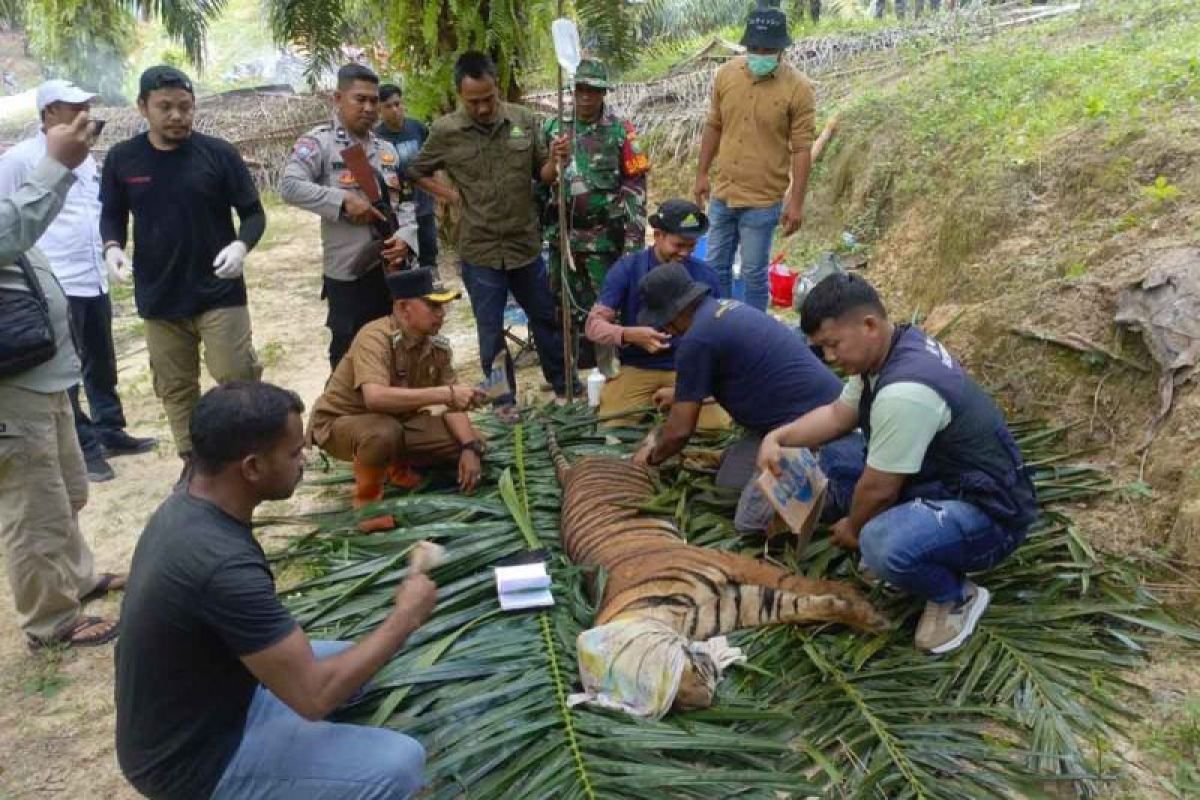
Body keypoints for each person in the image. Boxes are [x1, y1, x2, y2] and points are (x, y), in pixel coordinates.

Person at [116, 381, 434, 799]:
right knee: (400, 764)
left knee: (356, 670)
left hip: (219, 696)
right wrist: (404, 618)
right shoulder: (222, 565)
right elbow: (314, 698)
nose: (304, 460)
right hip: (195, 761)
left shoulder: (191, 502)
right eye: (293, 452)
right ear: (251, 467)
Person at [757, 274, 1037, 653]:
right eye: (822, 348)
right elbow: (839, 416)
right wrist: (779, 437)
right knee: (839, 452)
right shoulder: (887, 351)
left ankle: (955, 596)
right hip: (940, 475)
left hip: (989, 513)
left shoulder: (905, 391)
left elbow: (880, 488)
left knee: (882, 544)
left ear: (869, 325)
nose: (830, 358)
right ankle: (907, 531)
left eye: (833, 345)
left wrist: (854, 528)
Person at [100, 65, 266, 484]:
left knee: (235, 377)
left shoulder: (218, 154)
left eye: (185, 107)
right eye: (165, 107)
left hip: (219, 290)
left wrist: (241, 245)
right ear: (143, 107)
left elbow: (253, 213)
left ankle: (247, 454)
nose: (177, 116)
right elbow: (112, 214)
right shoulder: (124, 159)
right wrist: (113, 247)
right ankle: (194, 465)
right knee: (175, 388)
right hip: (160, 296)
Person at [1, 109, 124, 650]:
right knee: (34, 506)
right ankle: (49, 621)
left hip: (40, 372)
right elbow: (10, 233)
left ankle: (75, 579)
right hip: (11, 385)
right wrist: (57, 163)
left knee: (65, 490)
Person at [0, 79, 157, 483]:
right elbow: (10, 223)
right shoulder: (20, 160)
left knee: (100, 360)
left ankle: (109, 429)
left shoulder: (83, 155)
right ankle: (84, 446)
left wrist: (110, 251)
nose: (84, 113)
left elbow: (95, 210)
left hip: (90, 274)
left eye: (86, 104)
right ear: (49, 112)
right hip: (57, 276)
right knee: (65, 369)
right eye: (74, 106)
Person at [408, 50, 574, 409]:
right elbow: (416, 170)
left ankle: (564, 389)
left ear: (497, 87)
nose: (483, 108)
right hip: (480, 250)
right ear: (460, 96)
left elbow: (542, 173)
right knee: (489, 331)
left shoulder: (523, 120)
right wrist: (451, 196)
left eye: (488, 99)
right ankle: (504, 401)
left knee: (546, 318)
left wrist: (557, 161)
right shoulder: (446, 131)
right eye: (473, 102)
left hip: (524, 244)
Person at [631, 264, 853, 510]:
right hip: (823, 408)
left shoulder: (697, 340)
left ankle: (833, 492)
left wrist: (651, 458)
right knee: (731, 482)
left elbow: (680, 432)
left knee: (749, 515)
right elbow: (746, 373)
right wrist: (681, 394)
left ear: (671, 315)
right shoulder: (724, 309)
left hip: (815, 428)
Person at [308, 268, 487, 532]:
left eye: (443, 307)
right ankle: (368, 506)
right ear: (404, 308)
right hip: (341, 424)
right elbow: (375, 398)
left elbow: (453, 405)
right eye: (432, 306)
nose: (441, 314)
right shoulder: (375, 337)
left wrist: (469, 447)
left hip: (397, 422)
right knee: (383, 433)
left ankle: (397, 469)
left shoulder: (436, 346)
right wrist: (446, 394)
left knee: (475, 440)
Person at [283, 64, 416, 370]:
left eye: (374, 101)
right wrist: (342, 201)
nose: (369, 108)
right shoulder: (320, 143)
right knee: (348, 354)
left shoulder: (386, 150)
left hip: (392, 268)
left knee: (394, 347)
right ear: (338, 98)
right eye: (360, 99)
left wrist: (406, 239)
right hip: (348, 272)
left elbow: (405, 203)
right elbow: (289, 186)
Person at [692, 6, 815, 311]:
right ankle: (718, 325)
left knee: (753, 274)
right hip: (724, 192)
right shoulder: (726, 75)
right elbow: (714, 125)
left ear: (782, 49)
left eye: (768, 49)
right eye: (754, 48)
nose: (760, 54)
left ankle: (754, 336)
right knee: (714, 266)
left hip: (762, 200)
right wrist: (702, 174)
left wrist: (796, 202)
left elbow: (801, 148)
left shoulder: (798, 89)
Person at [542, 58, 649, 370]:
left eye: (593, 90)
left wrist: (633, 243)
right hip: (565, 240)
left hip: (605, 240)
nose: (586, 96)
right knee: (569, 307)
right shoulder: (555, 128)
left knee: (608, 306)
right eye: (580, 89)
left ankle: (615, 368)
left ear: (604, 93)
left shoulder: (621, 131)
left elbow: (635, 188)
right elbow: (541, 181)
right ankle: (582, 367)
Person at [584, 199, 729, 430]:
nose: (685, 253)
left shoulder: (706, 276)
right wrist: (628, 335)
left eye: (691, 246)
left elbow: (721, 329)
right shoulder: (627, 269)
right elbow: (593, 326)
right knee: (611, 426)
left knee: (715, 429)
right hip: (639, 367)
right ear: (658, 235)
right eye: (678, 244)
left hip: (688, 369)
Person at [375, 82, 440, 274]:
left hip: (423, 204)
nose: (395, 110)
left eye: (397, 104)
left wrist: (438, 193)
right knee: (402, 257)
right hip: (396, 211)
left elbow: (434, 160)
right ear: (380, 109)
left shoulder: (417, 128)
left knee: (429, 252)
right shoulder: (376, 138)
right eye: (388, 106)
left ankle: (432, 292)